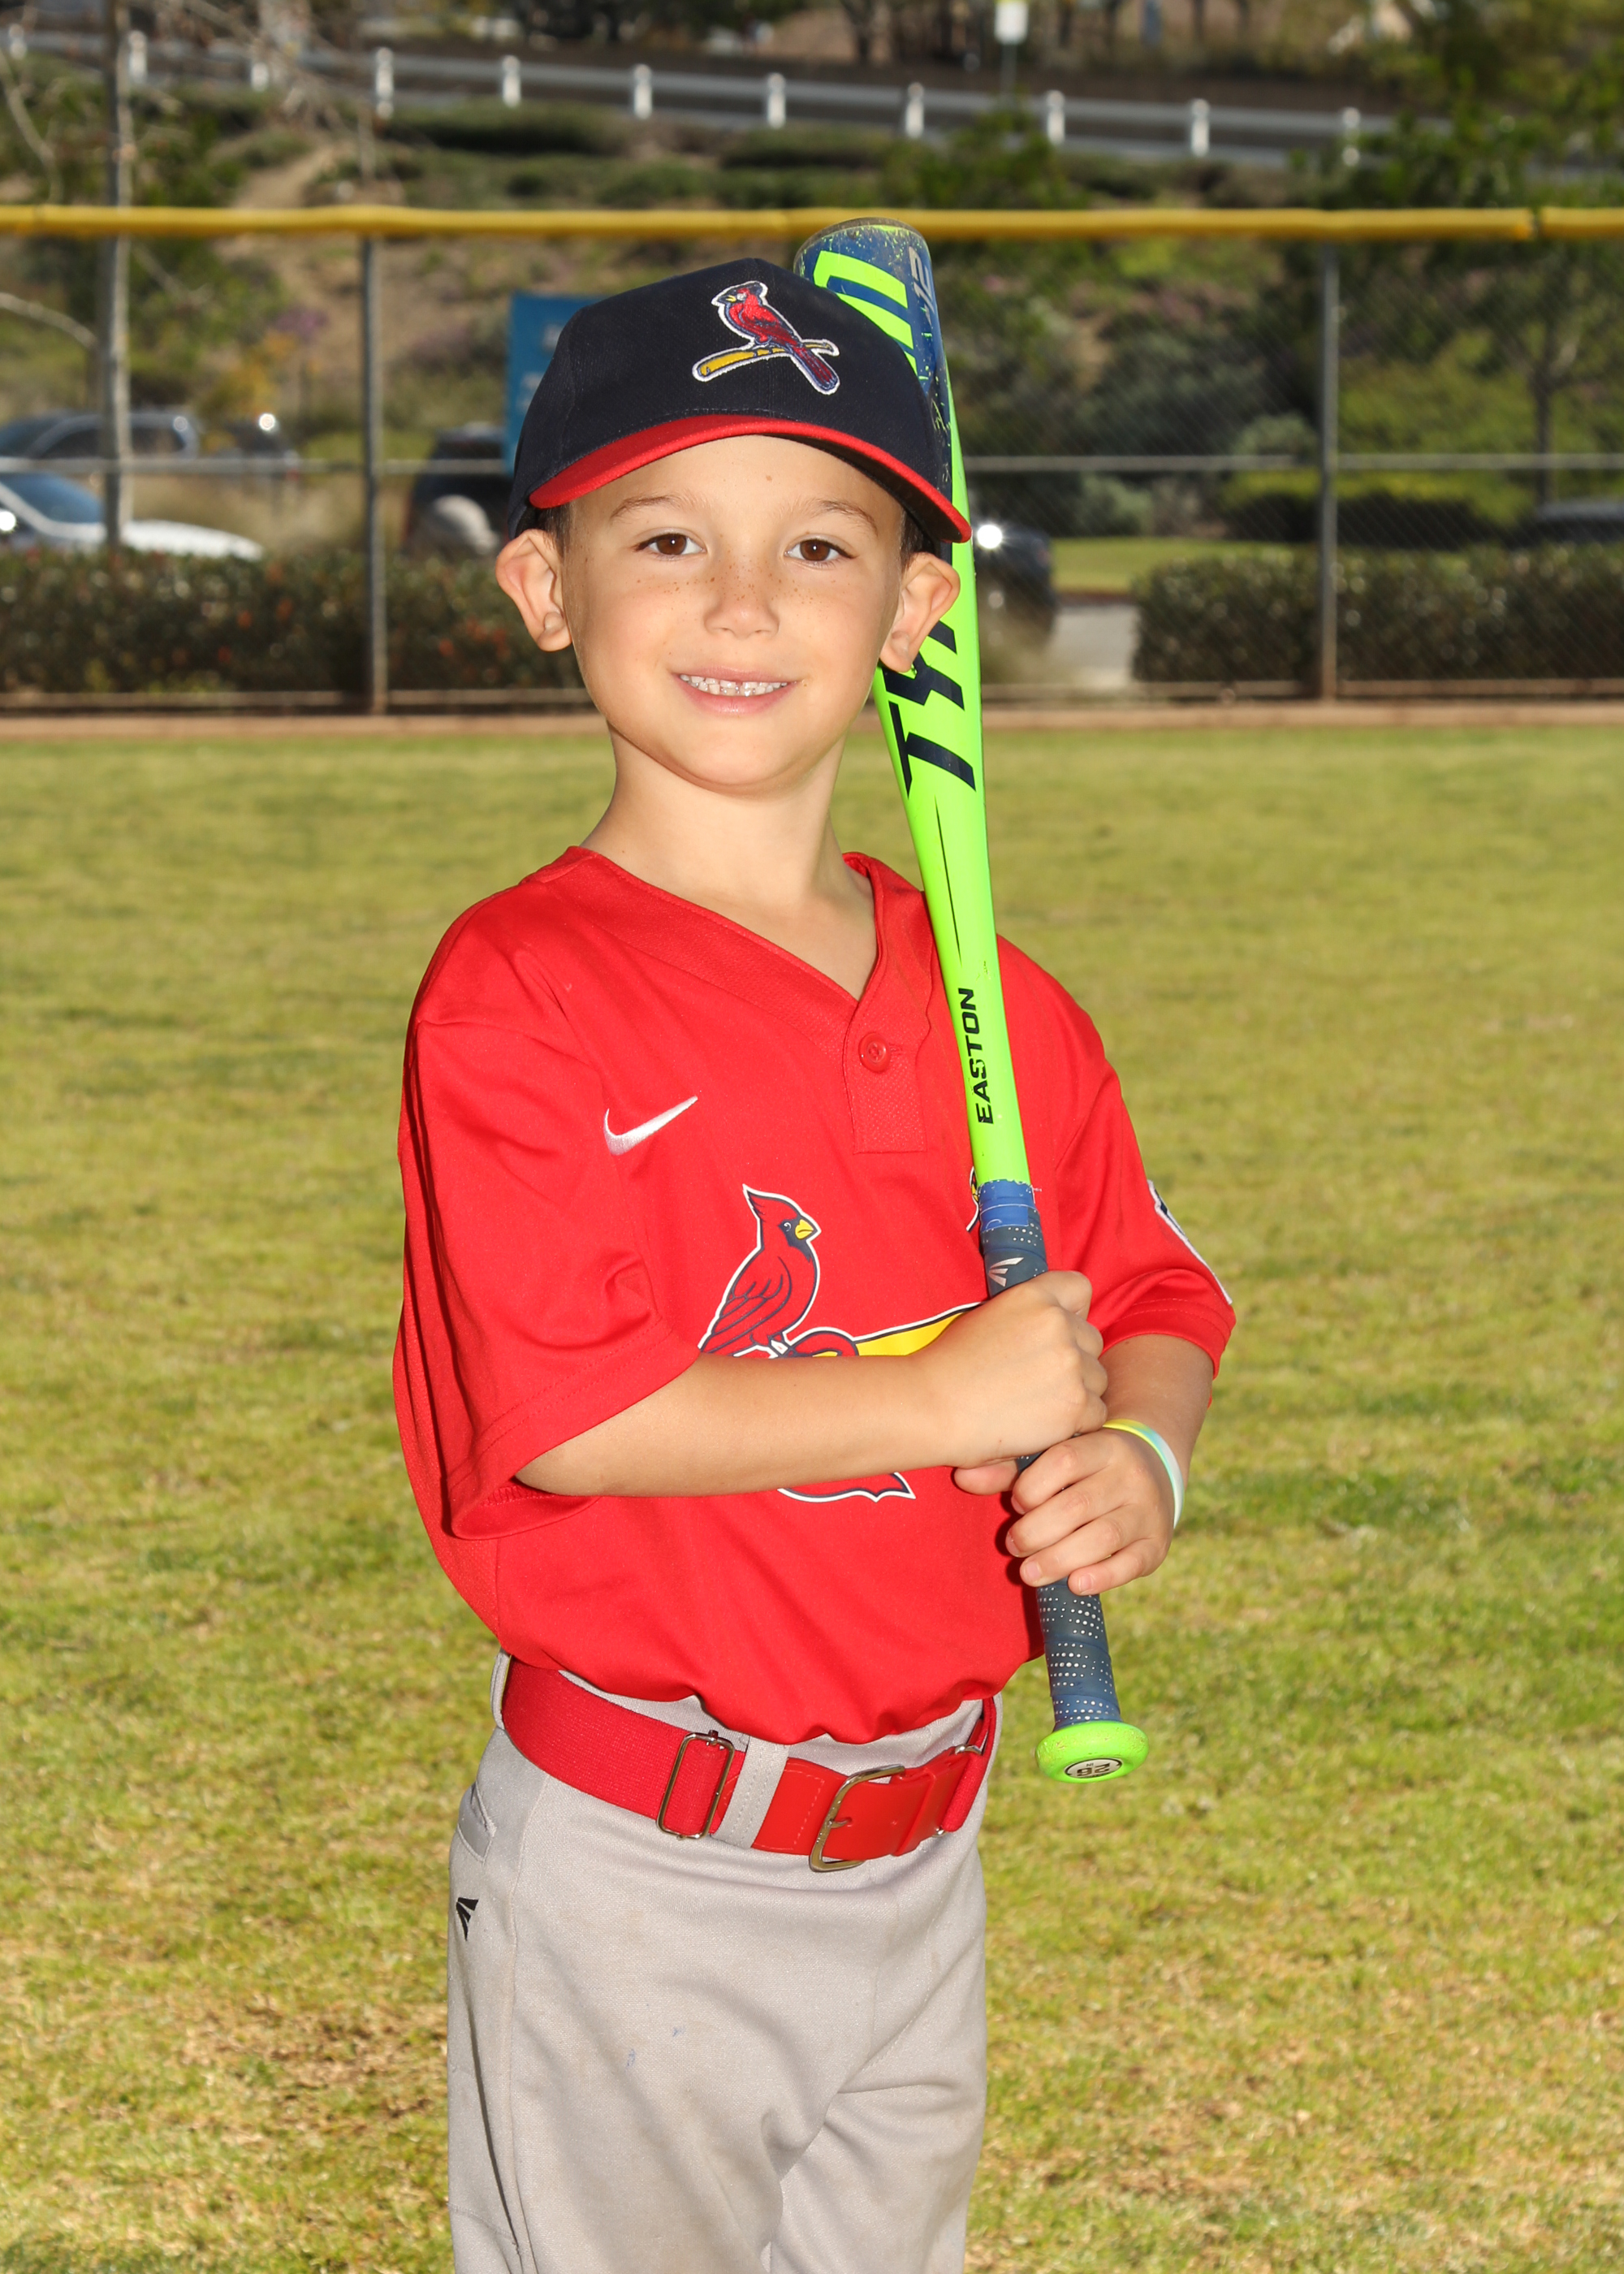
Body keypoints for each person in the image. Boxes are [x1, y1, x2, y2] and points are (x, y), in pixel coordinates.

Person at [394, 258, 1235, 2274]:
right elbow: (578, 1415)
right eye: (667, 539)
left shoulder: (993, 993)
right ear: (545, 586)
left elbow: (1149, 1301)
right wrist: (939, 1397)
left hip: (922, 1852)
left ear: (914, 610)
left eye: (820, 546)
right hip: (641, 1874)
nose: (745, 603)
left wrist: (1140, 1457)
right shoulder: (518, 988)